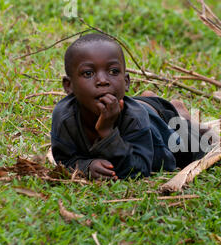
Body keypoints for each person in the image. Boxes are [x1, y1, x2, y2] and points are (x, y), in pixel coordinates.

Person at [51, 33, 207, 180]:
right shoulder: (64, 116)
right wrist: (87, 166)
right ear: (69, 86)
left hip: (157, 126)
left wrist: (107, 132)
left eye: (113, 71)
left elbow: (139, 170)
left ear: (126, 82)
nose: (103, 80)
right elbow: (64, 159)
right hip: (140, 106)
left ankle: (178, 113)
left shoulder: (134, 118)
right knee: (143, 106)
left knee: (198, 147)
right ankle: (151, 100)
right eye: (88, 73)